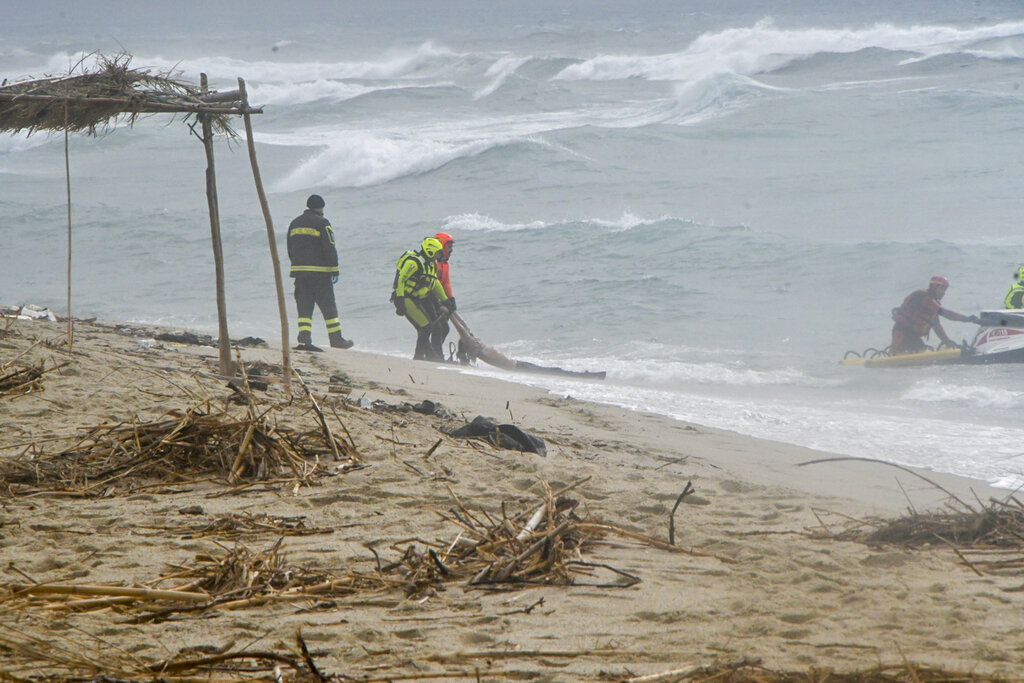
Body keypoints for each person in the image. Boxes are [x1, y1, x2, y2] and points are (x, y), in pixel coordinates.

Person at [286, 194, 353, 351]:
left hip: (300, 273)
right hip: (320, 274)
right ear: (321, 208)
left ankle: (304, 338)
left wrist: (296, 265)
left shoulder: (294, 223)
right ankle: (336, 340)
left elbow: (290, 247)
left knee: (304, 307)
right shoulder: (323, 223)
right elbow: (329, 246)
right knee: (328, 307)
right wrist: (334, 269)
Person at [392, 237, 454, 361]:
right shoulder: (414, 263)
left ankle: (423, 356)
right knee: (425, 327)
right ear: (430, 251)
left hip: (416, 299)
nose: (438, 256)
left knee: (428, 327)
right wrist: (400, 301)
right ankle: (420, 357)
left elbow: (434, 283)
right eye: (437, 253)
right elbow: (401, 280)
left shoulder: (430, 265)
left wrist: (446, 300)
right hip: (405, 298)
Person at [889, 275, 980, 354]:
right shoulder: (923, 296)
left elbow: (937, 327)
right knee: (908, 353)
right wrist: (967, 319)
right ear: (934, 287)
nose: (943, 293)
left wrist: (947, 342)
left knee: (920, 351)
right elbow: (946, 314)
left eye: (945, 290)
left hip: (912, 336)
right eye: (941, 289)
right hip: (902, 333)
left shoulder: (932, 306)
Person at [431, 232, 456, 358]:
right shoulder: (433, 263)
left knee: (443, 328)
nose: (451, 250)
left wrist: (451, 300)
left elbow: (446, 283)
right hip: (429, 299)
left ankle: (434, 354)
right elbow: (432, 285)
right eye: (449, 247)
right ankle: (435, 356)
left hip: (439, 300)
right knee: (440, 328)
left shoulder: (445, 264)